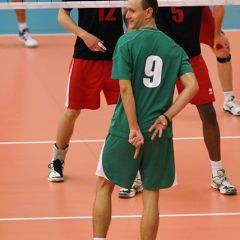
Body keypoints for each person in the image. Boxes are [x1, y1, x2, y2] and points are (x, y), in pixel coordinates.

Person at [92, 0, 199, 238]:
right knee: (151, 195)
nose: (127, 15)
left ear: (148, 12)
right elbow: (192, 87)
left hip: (125, 131)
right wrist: (166, 117)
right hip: (158, 132)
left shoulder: (126, 42)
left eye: (132, 10)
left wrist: (133, 128)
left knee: (104, 185)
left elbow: (126, 90)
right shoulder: (174, 48)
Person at [118, 6, 237, 198]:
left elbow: (214, 9)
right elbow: (133, 8)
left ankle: (218, 174)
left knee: (208, 113)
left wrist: (217, 33)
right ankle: (136, 176)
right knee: (144, 114)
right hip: (158, 57)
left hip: (190, 56)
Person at [47, 0, 124, 182]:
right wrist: (85, 35)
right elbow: (62, 15)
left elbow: (131, 13)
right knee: (72, 111)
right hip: (85, 57)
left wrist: (128, 37)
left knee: (128, 110)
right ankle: (57, 161)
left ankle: (132, 166)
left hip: (116, 56)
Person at [200, 6, 240, 116]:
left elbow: (218, 6)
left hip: (197, 12)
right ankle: (156, 103)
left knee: (222, 50)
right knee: (160, 51)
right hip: (171, 13)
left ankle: (229, 100)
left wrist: (217, 34)